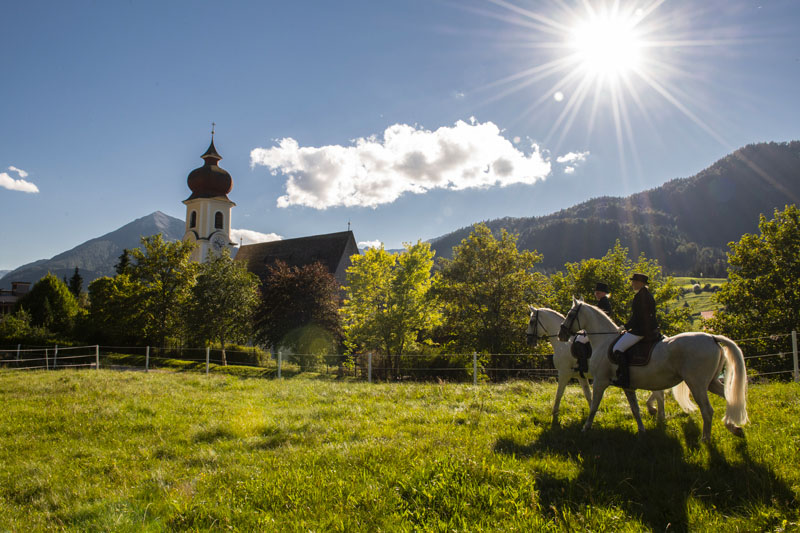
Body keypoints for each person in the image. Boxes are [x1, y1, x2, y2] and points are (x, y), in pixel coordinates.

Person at [612, 273, 660, 388]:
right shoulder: (646, 295)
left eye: (634, 282)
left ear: (640, 283)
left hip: (641, 330)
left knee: (617, 349)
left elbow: (637, 317)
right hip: (649, 328)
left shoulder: (640, 296)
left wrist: (625, 327)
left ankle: (625, 379)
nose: (632, 284)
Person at [572, 282, 613, 372]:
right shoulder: (603, 301)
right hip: (599, 329)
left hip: (599, 330)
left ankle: (583, 365)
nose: (596, 294)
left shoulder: (603, 302)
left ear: (604, 293)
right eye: (596, 292)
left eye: (598, 293)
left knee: (579, 340)